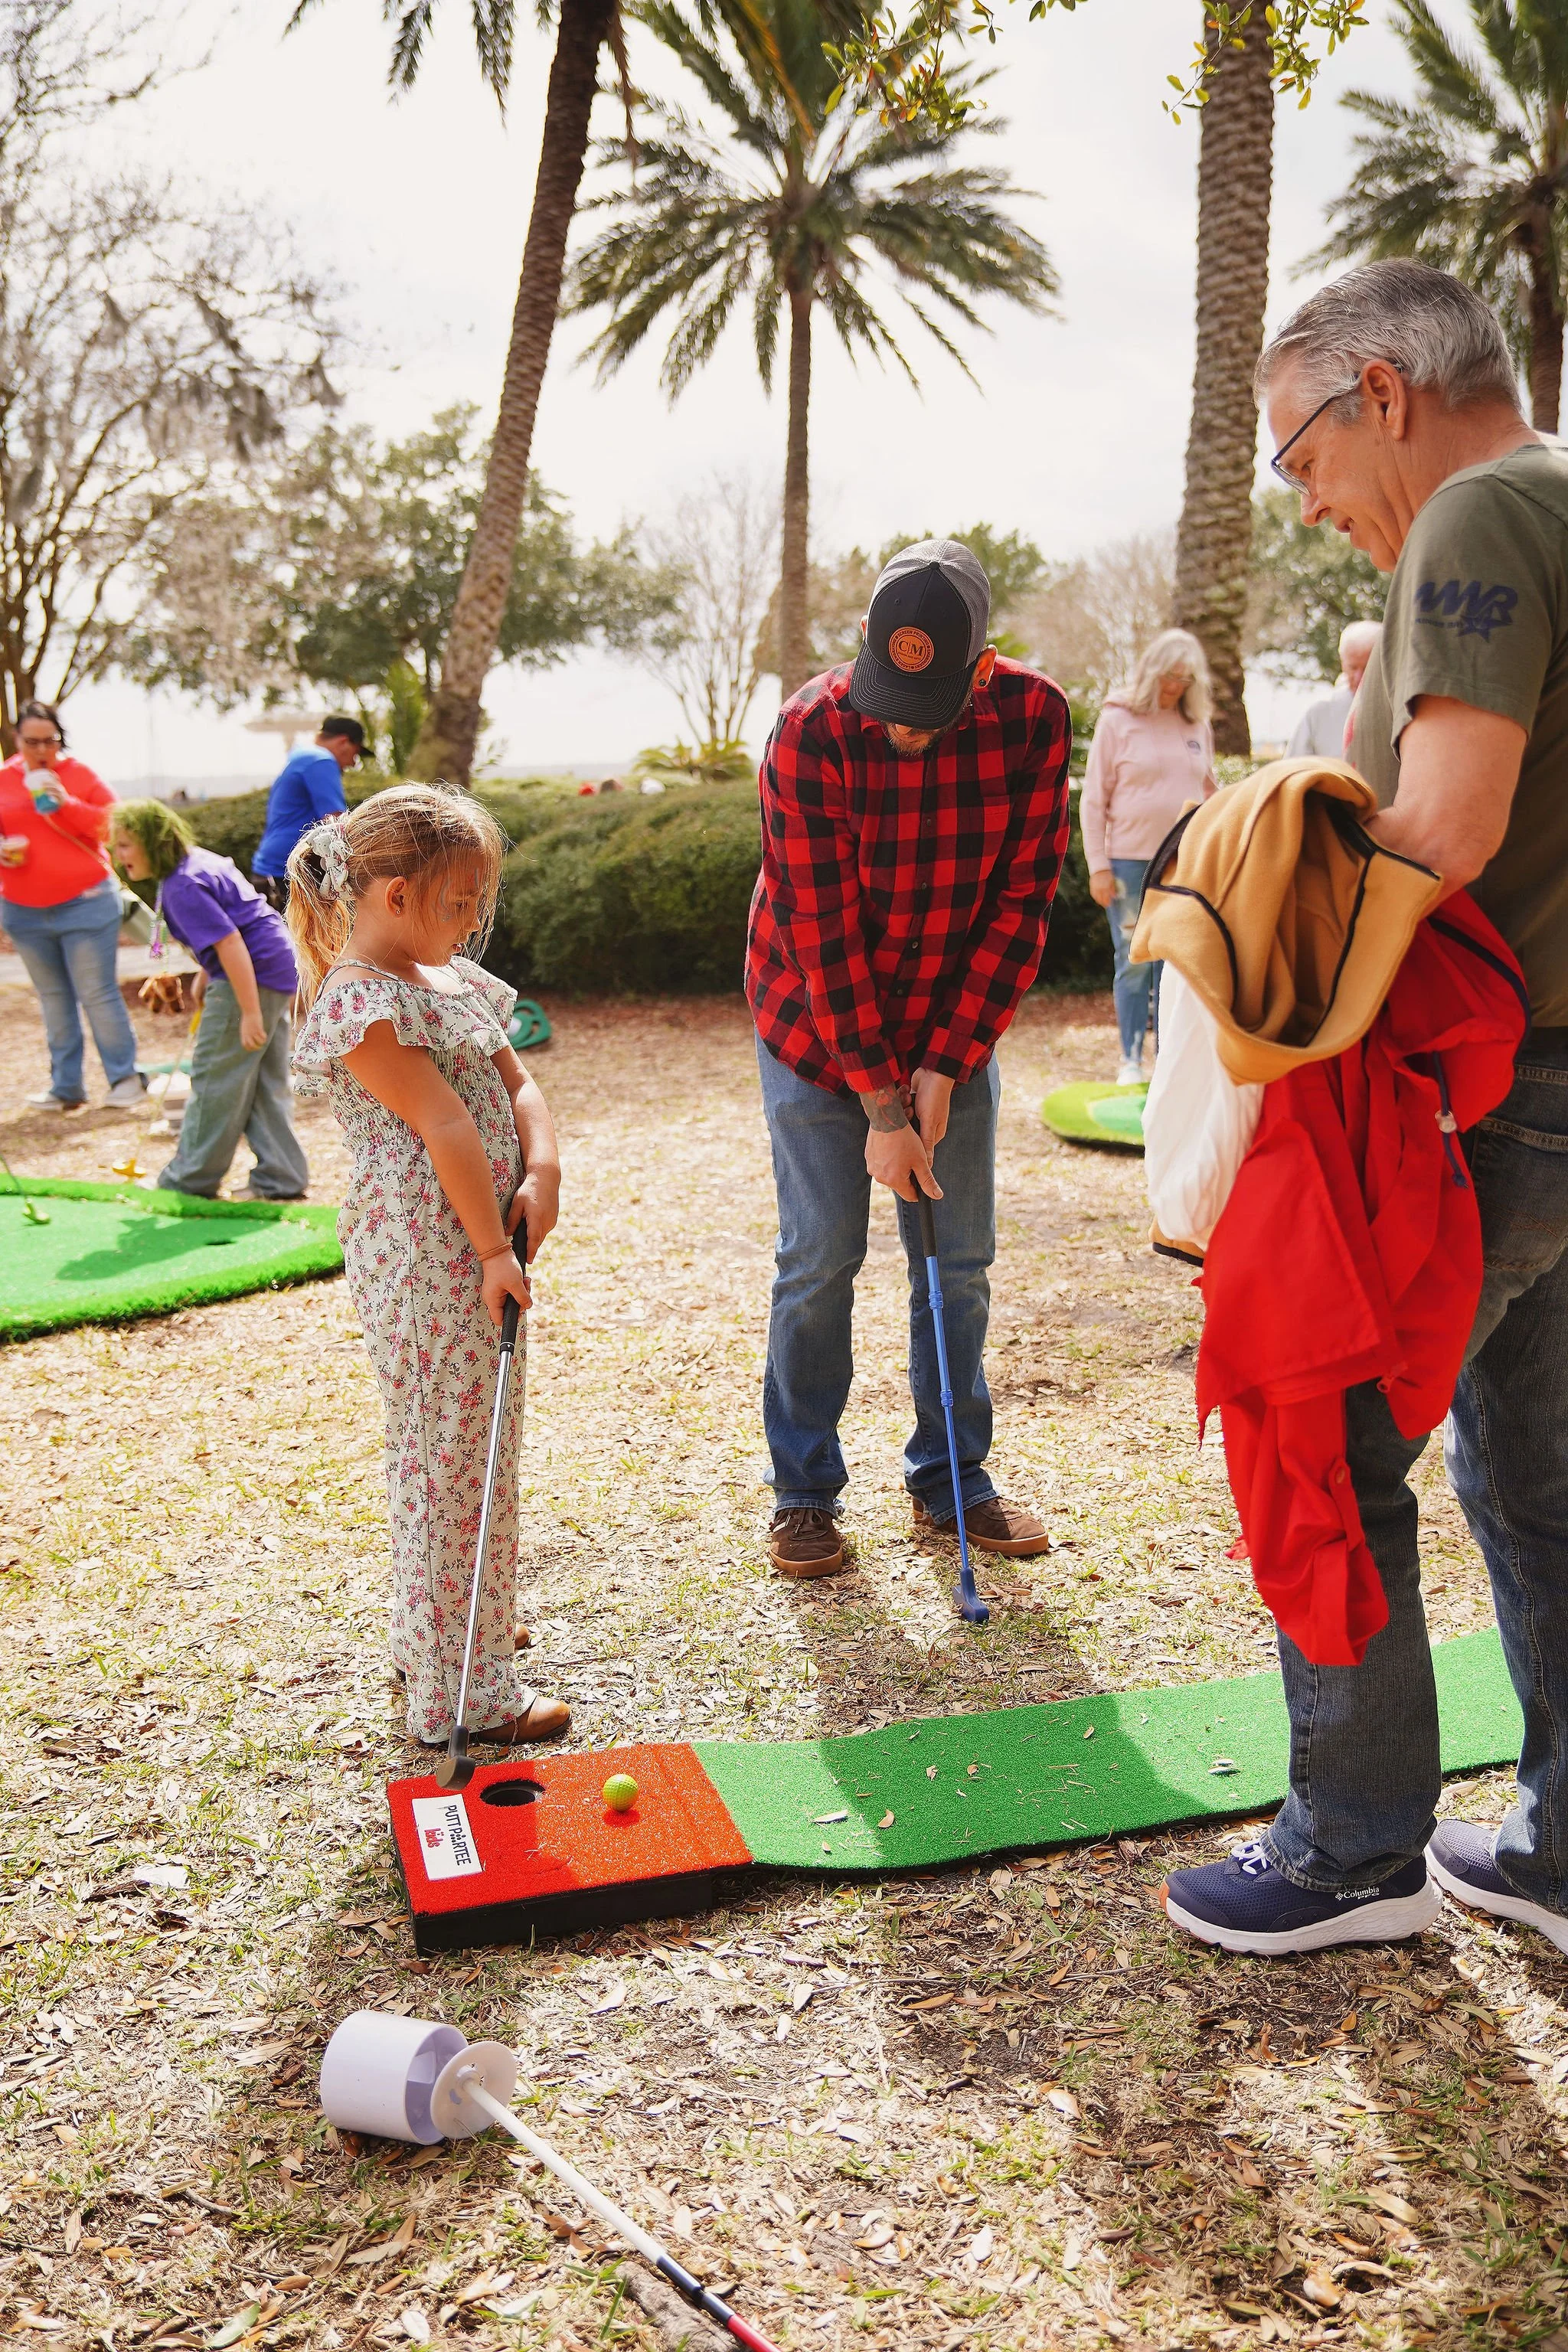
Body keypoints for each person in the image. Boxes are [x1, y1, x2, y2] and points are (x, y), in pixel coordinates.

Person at [1161, 258, 1568, 1958]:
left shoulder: (1474, 518)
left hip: (1495, 1097)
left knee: (1321, 1439)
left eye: (1298, 452)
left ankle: (1350, 1853)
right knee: (1537, 1469)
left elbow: (1450, 826)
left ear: (1381, 395)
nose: (1305, 497)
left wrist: (1263, 855)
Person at [747, 537, 1073, 1579]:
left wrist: (945, 1064)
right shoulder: (809, 733)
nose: (898, 725)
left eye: (924, 705)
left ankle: (952, 1480)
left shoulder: (1034, 718)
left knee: (956, 1260)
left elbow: (1022, 906)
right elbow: (821, 930)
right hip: (815, 1024)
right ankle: (803, 1491)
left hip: (952, 1016)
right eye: (887, 695)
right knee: (822, 1256)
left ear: (983, 668)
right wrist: (884, 1110)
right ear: (862, 647)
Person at [286, 786, 570, 1749]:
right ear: (396, 894)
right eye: (457, 905)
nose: (469, 923)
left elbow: (516, 1082)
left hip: (480, 1248)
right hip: (431, 1260)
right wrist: (491, 1245)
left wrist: (543, 1168)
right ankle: (460, 1692)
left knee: (473, 1449)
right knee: (452, 1462)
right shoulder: (363, 1001)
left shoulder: (445, 980)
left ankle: (451, 1632)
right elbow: (444, 1120)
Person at [109, 801, 309, 1202]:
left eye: (127, 845)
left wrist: (249, 1011)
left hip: (250, 979)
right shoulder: (196, 864)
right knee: (263, 1080)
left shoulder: (182, 885)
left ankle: (189, 1180)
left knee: (216, 1077)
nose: (119, 856)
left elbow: (231, 941)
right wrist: (206, 974)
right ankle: (281, 1176)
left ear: (152, 841)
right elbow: (236, 923)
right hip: (275, 967)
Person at [1080, 630, 1217, 1085]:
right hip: (1128, 864)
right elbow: (1094, 798)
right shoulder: (1119, 718)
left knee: (1176, 963)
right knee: (1135, 962)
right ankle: (1130, 1061)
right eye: (1168, 677)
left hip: (1184, 862)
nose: (1175, 687)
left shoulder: (1196, 724)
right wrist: (1098, 866)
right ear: (1151, 672)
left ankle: (1169, 1061)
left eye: (1184, 678)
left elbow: (1209, 791)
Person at [0, 701, 144, 1112]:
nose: (42, 749)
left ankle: (125, 1079)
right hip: (23, 910)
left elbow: (116, 824)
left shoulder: (79, 774)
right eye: (32, 742)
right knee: (53, 997)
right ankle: (66, 1087)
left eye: (50, 741)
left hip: (86, 903)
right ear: (17, 740)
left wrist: (66, 803)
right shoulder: (4, 778)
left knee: (97, 992)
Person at [251, 717, 364, 910]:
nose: (354, 763)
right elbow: (336, 821)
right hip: (288, 874)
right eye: (356, 753)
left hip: (271, 869)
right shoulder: (321, 760)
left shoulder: (301, 755)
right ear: (343, 742)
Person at [1286, 620, 1383, 759]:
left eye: (1368, 668)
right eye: (1353, 667)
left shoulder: (1405, 708)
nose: (1359, 677)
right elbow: (1294, 771)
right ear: (1342, 663)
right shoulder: (1319, 712)